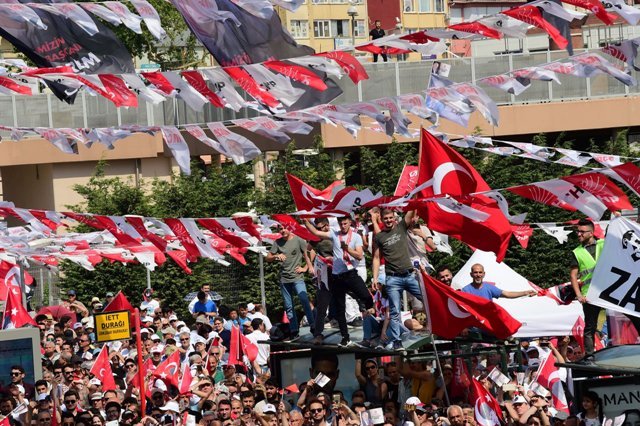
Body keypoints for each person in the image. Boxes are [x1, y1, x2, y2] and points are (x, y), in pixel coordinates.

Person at [570, 219, 640, 359]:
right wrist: (578, 295)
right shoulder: (576, 252)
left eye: (582, 232)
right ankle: (589, 356)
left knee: (634, 314)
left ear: (591, 233)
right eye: (578, 231)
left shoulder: (604, 243)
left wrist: (617, 218)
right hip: (590, 293)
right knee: (590, 326)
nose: (579, 234)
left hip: (613, 289)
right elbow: (573, 275)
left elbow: (617, 235)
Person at [304, 216, 374, 347]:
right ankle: (335, 335)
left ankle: (371, 316)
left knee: (363, 296)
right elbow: (311, 242)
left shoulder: (347, 235)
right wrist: (309, 265)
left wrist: (346, 249)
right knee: (331, 304)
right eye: (341, 224)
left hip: (349, 273)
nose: (343, 226)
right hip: (332, 275)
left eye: (345, 223)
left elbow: (359, 255)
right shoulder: (327, 235)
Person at [372, 209, 424, 350]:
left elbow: (411, 211)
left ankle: (436, 326)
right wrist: (375, 278)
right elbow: (376, 258)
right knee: (394, 311)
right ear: (381, 220)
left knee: (427, 298)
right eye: (386, 218)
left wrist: (414, 195)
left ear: (394, 218)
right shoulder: (379, 237)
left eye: (390, 218)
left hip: (408, 275)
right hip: (393, 278)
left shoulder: (401, 227)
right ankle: (396, 341)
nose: (389, 220)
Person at [266, 224, 315, 339]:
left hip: (297, 277)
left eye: (284, 228)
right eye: (280, 229)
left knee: (304, 300)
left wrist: (306, 267)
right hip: (284, 279)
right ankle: (294, 330)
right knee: (288, 306)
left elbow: (310, 252)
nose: (282, 231)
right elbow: (268, 257)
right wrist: (276, 256)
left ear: (289, 228)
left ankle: (313, 325)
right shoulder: (277, 243)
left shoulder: (298, 240)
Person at [462, 263, 536, 300]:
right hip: (472, 327)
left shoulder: (489, 288)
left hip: (488, 325)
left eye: (480, 272)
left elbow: (508, 294)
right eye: (475, 272)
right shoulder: (465, 290)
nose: (478, 275)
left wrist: (524, 293)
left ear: (484, 274)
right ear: (471, 274)